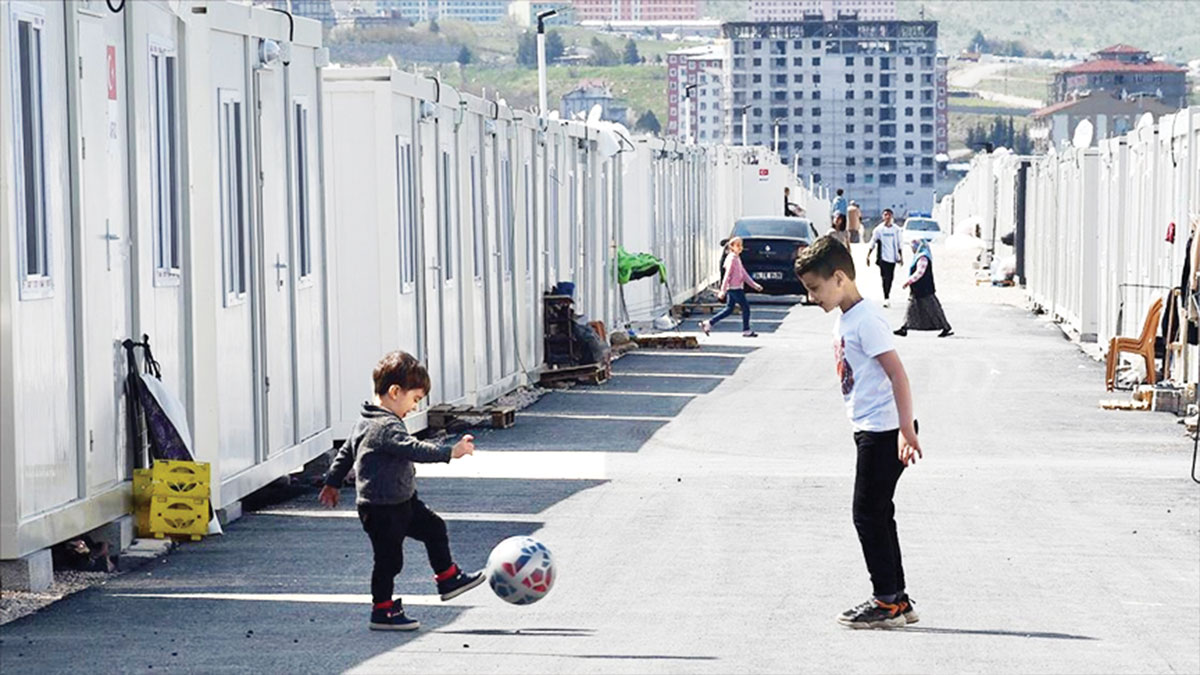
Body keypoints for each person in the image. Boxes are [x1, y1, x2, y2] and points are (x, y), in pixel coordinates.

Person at [793, 236, 922, 630]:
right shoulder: (848, 317)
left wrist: (905, 430)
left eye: (815, 288)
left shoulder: (866, 320)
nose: (812, 297)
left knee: (866, 515)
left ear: (839, 278)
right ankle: (897, 598)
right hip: (872, 428)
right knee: (879, 513)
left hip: (885, 430)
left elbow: (898, 375)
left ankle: (885, 602)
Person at [319, 350, 485, 631]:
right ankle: (382, 610)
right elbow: (413, 449)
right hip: (382, 509)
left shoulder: (366, 420)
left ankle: (448, 578)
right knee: (389, 560)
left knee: (434, 528)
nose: (415, 407)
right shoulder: (384, 426)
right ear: (395, 392)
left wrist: (332, 482)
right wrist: (450, 452)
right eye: (415, 399)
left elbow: (346, 452)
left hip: (403, 501)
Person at [701, 236, 763, 338]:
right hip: (735, 288)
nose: (740, 247)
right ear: (731, 247)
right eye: (737, 245)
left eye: (741, 245)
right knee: (745, 308)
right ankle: (746, 330)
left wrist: (754, 285)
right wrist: (723, 290)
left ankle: (708, 323)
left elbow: (744, 274)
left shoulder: (737, 258)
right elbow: (727, 275)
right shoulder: (732, 259)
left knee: (729, 309)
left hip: (735, 287)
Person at [894, 240, 953, 338]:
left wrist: (908, 281)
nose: (912, 250)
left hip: (924, 288)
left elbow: (920, 272)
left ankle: (946, 327)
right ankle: (904, 327)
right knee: (911, 308)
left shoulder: (923, 257)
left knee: (933, 309)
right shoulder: (919, 256)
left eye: (913, 247)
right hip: (918, 289)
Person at [866, 208, 904, 307]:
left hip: (893, 258)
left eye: (889, 215)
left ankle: (888, 294)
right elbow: (873, 242)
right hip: (883, 258)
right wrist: (868, 256)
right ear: (883, 217)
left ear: (892, 216)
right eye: (885, 215)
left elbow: (900, 244)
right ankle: (886, 298)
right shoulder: (878, 230)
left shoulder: (896, 230)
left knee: (890, 278)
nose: (887, 217)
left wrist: (901, 257)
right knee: (884, 278)